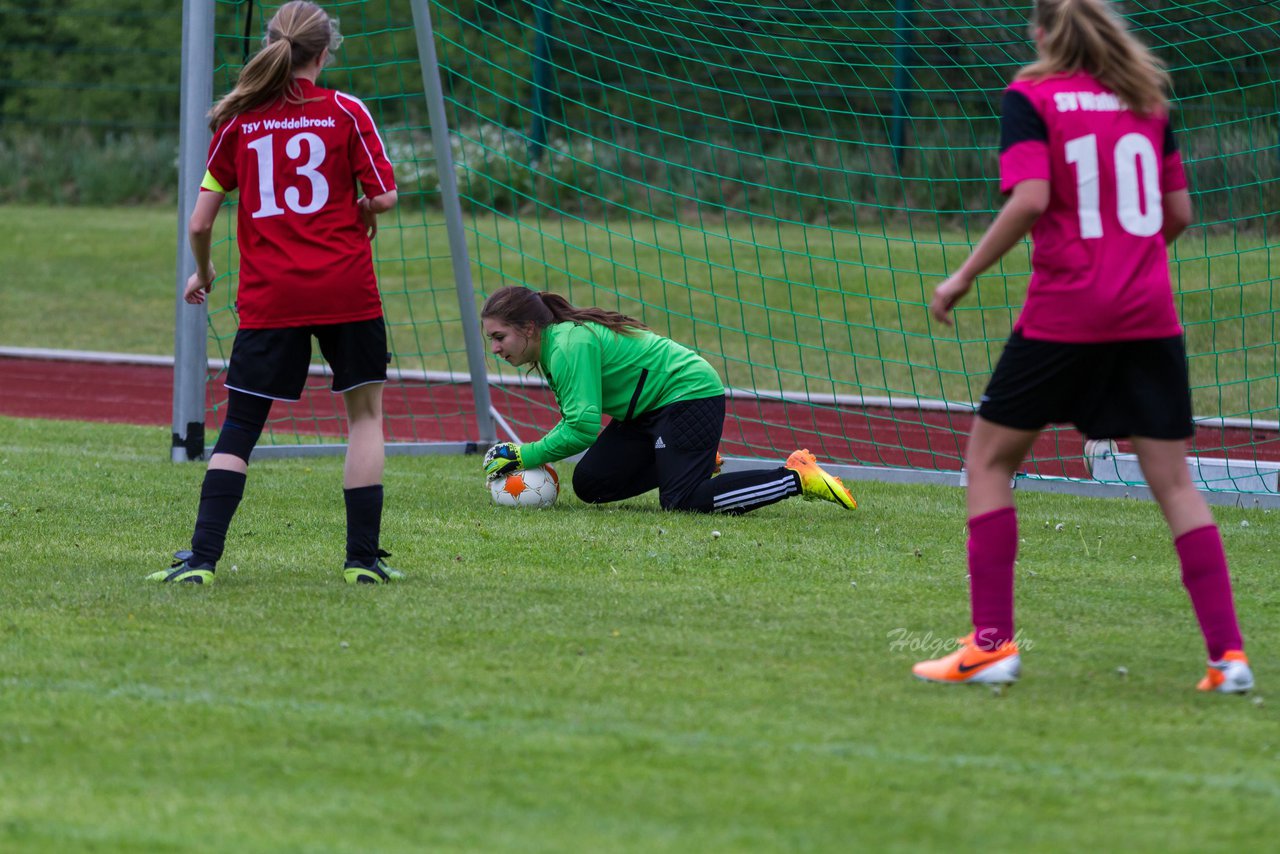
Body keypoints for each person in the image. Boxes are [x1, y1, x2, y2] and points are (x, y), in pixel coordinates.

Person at [912, 0, 1252, 693]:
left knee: (987, 461)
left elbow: (1031, 197)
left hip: (1066, 312)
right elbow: (1180, 213)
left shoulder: (1030, 96)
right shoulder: (1148, 99)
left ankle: (990, 646)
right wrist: (1130, 263)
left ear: (1041, 32)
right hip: (1150, 314)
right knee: (1178, 484)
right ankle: (1230, 657)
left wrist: (962, 276)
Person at [151, 1, 400, 585]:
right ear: (325, 50)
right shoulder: (345, 110)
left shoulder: (240, 120)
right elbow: (385, 197)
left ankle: (202, 560)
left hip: (271, 298)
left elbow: (198, 222)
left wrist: (205, 272)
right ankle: (361, 562)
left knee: (239, 427)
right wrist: (364, 207)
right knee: (365, 419)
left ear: (271, 46)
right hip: (347, 289)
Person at [478, 286, 858, 515]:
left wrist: (524, 455)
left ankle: (796, 477)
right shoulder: (553, 347)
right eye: (491, 340)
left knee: (681, 501)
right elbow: (576, 420)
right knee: (592, 485)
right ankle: (697, 460)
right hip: (646, 412)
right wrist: (527, 452)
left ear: (528, 328)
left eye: (500, 337)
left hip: (688, 395)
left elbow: (582, 428)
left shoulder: (568, 344)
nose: (495, 348)